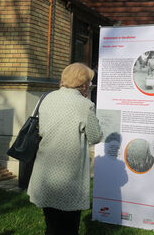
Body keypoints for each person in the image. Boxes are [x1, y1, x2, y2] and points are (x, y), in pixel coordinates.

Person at [27, 62, 103, 234]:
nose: (90, 86)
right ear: (84, 84)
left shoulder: (46, 98)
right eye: (90, 83)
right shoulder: (85, 105)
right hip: (69, 175)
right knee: (69, 227)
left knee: (52, 225)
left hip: (45, 170)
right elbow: (95, 136)